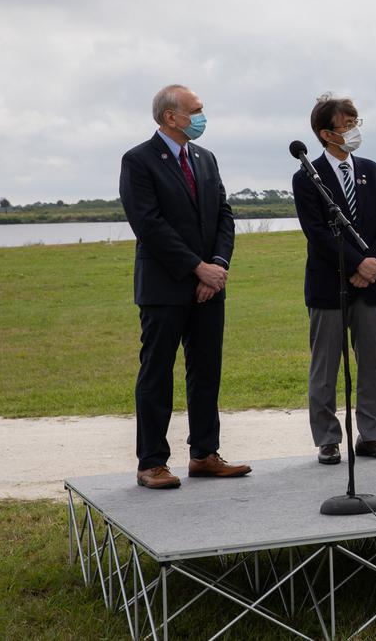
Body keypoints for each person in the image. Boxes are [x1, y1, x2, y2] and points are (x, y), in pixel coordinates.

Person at [119, 85, 251, 489]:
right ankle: (152, 462)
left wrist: (217, 267)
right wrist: (197, 269)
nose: (201, 116)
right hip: (165, 287)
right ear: (169, 117)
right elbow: (149, 224)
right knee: (157, 373)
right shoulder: (138, 161)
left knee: (206, 371)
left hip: (210, 285)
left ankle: (205, 454)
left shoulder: (205, 159)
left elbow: (224, 216)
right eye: (195, 110)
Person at [292, 95, 376, 465]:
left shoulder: (375, 170)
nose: (354, 130)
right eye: (347, 124)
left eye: (357, 123)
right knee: (325, 366)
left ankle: (372, 436)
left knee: (373, 361)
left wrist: (374, 262)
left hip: (372, 284)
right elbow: (318, 234)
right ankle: (327, 438)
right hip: (328, 284)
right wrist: (355, 265)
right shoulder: (307, 176)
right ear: (326, 133)